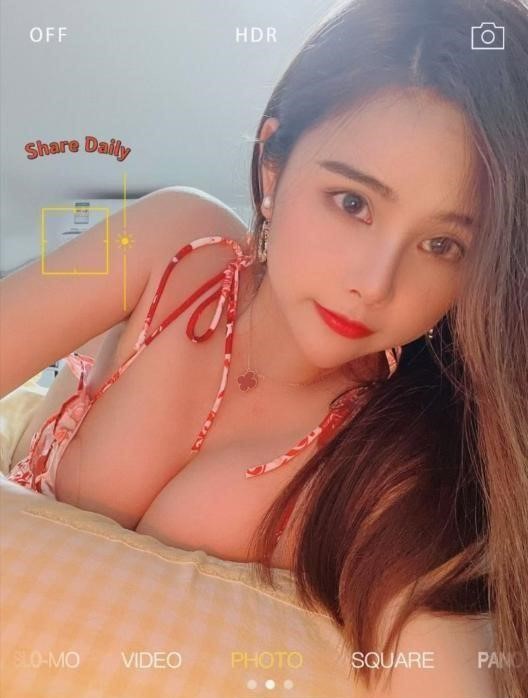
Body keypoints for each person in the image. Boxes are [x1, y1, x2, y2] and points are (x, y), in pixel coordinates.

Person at [1, 0, 527, 695]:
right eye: (353, 203)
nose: (374, 285)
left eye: (442, 245)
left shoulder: (410, 461)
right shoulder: (178, 247)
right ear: (273, 167)